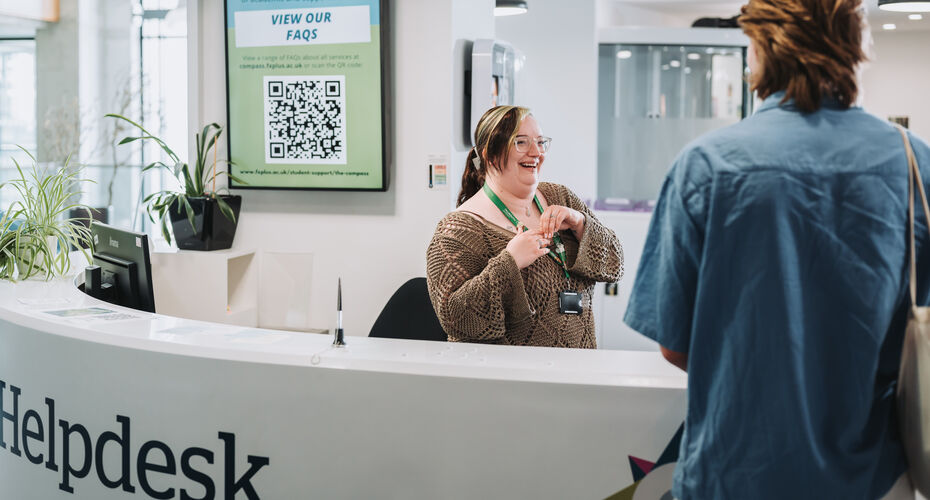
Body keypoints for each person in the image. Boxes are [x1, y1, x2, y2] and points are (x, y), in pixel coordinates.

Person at [623, 1, 930, 499]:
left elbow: (675, 344)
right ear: (856, 44)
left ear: (761, 47)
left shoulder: (706, 166)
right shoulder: (914, 165)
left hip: (732, 475)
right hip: (872, 479)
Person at [426, 105, 623, 347]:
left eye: (540, 142)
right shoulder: (458, 230)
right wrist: (510, 260)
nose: (536, 152)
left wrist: (580, 223)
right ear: (490, 154)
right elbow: (456, 320)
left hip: (578, 370)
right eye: (521, 142)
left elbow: (615, 264)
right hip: (512, 379)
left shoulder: (560, 197)